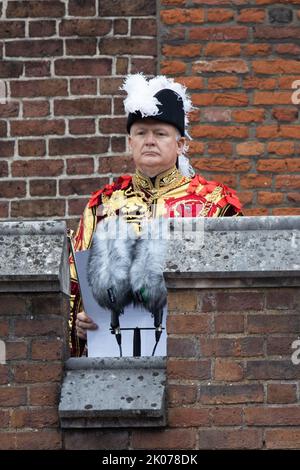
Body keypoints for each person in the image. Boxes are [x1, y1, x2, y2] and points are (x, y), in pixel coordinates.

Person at [69, 74, 242, 357]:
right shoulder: (103, 204)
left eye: (160, 133)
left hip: (195, 352)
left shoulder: (214, 203)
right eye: (140, 133)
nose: (149, 141)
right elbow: (75, 284)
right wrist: (77, 321)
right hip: (113, 353)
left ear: (181, 144)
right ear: (130, 142)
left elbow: (235, 286)